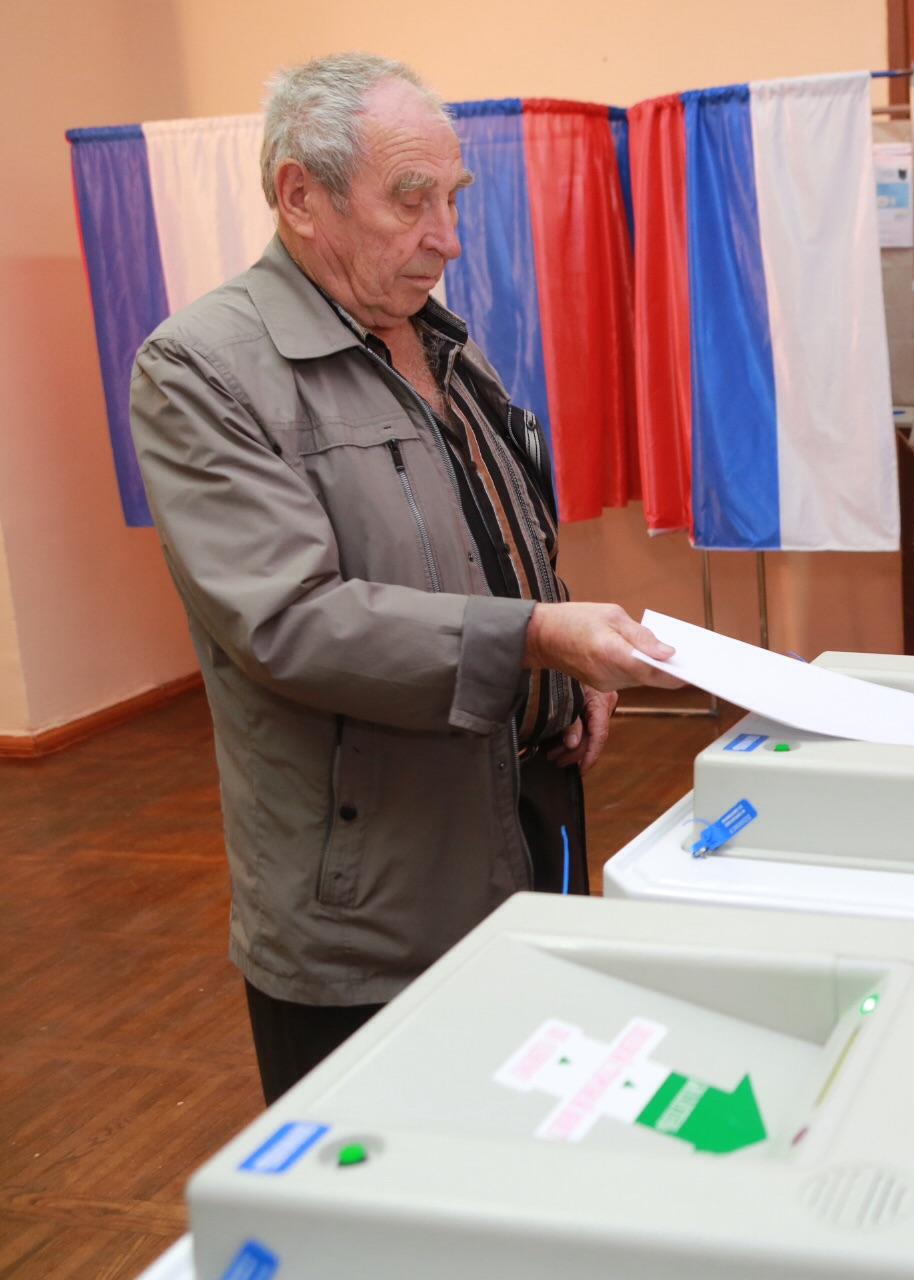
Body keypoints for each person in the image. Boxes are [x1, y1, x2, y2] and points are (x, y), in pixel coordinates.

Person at [129, 53, 680, 1104]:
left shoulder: (442, 345)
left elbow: (496, 541)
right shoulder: (201, 368)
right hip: (373, 896)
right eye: (411, 199)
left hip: (527, 822)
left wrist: (565, 657)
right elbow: (288, 620)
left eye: (453, 198)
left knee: (535, 1138)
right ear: (301, 197)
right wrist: (534, 639)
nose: (447, 237)